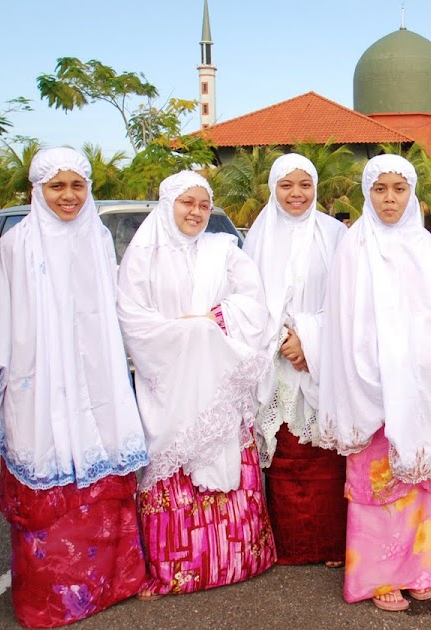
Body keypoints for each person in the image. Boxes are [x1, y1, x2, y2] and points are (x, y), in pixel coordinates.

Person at [0, 147, 149, 627]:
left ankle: (109, 584)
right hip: (41, 381)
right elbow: (4, 319)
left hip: (97, 376)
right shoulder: (17, 244)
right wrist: (9, 378)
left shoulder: (97, 236)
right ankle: (52, 601)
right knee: (51, 468)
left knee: (103, 469)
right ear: (38, 190)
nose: (69, 196)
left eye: (77, 185)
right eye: (58, 186)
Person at [317, 154, 431, 612]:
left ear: (411, 194)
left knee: (427, 478)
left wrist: (426, 371)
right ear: (367, 194)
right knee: (381, 481)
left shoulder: (428, 246)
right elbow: (346, 324)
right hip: (373, 386)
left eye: (398, 189)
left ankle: (427, 566)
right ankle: (379, 575)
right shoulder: (354, 246)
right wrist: (378, 377)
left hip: (426, 382)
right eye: (380, 189)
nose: (389, 199)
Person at [117, 170, 277, 599]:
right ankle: (178, 570)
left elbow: (253, 305)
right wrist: (187, 333)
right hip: (168, 384)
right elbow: (132, 317)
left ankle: (238, 560)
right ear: (168, 204)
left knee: (225, 452)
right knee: (173, 461)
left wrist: (213, 322)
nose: (197, 212)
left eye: (204, 205)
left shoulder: (224, 250)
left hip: (219, 379)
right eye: (188, 202)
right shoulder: (143, 256)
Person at [244, 154, 350, 567]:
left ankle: (328, 544)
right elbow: (245, 302)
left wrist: (310, 340)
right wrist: (281, 338)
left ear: (316, 188)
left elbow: (346, 299)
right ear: (273, 188)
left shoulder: (334, 234)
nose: (296, 194)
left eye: (304, 184)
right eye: (286, 185)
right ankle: (286, 545)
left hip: (319, 360)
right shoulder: (258, 236)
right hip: (275, 360)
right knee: (283, 455)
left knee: (322, 454)